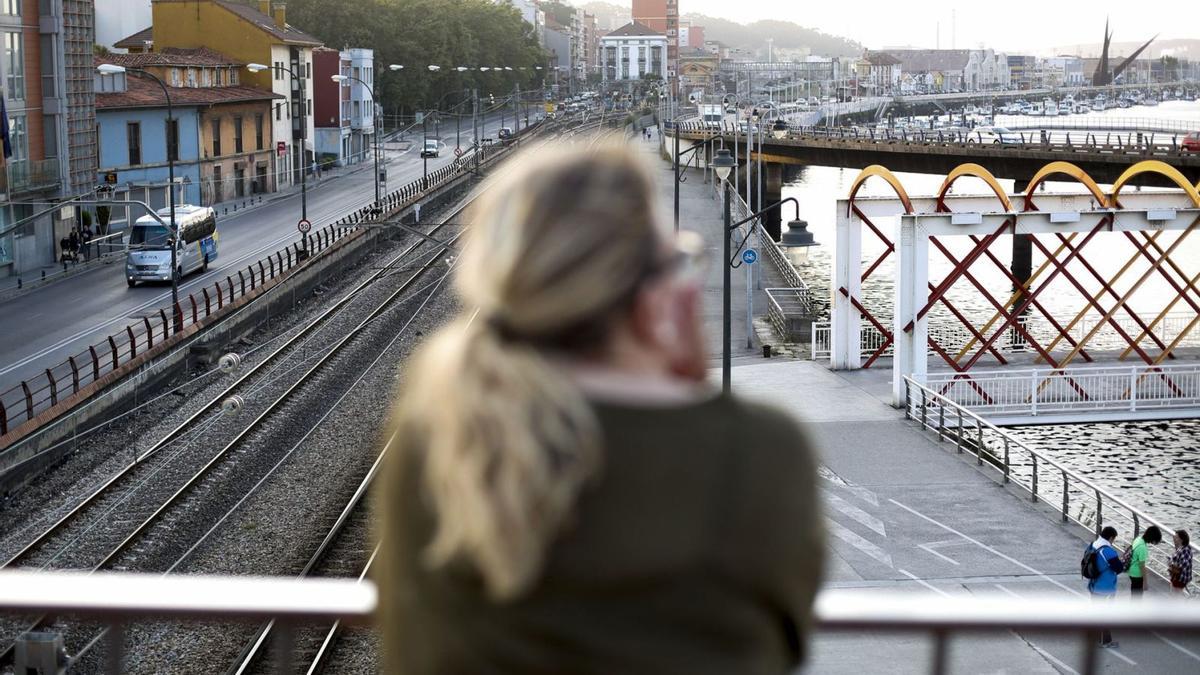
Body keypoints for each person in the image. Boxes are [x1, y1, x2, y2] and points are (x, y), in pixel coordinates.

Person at [377, 142, 824, 674]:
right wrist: (686, 371)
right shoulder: (760, 450)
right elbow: (782, 641)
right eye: (680, 259)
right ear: (651, 293)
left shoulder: (435, 431)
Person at [1087, 526, 1125, 648]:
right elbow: (1119, 568)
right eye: (1114, 539)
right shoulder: (1107, 551)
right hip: (1105, 587)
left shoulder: (1093, 545)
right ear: (1111, 537)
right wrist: (1123, 562)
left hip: (1093, 584)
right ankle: (1105, 641)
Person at [1125, 525, 1162, 597]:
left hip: (1131, 571)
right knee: (1137, 596)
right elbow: (1142, 566)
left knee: (1134, 594)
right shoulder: (1142, 547)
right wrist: (1145, 582)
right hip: (1137, 574)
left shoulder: (1138, 539)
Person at [1169, 529, 1193, 594]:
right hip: (1176, 578)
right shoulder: (1181, 548)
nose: (1174, 539)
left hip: (1179, 579)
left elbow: (1184, 565)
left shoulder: (1185, 550)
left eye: (1176, 537)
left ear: (1181, 539)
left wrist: (1172, 565)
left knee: (1175, 596)